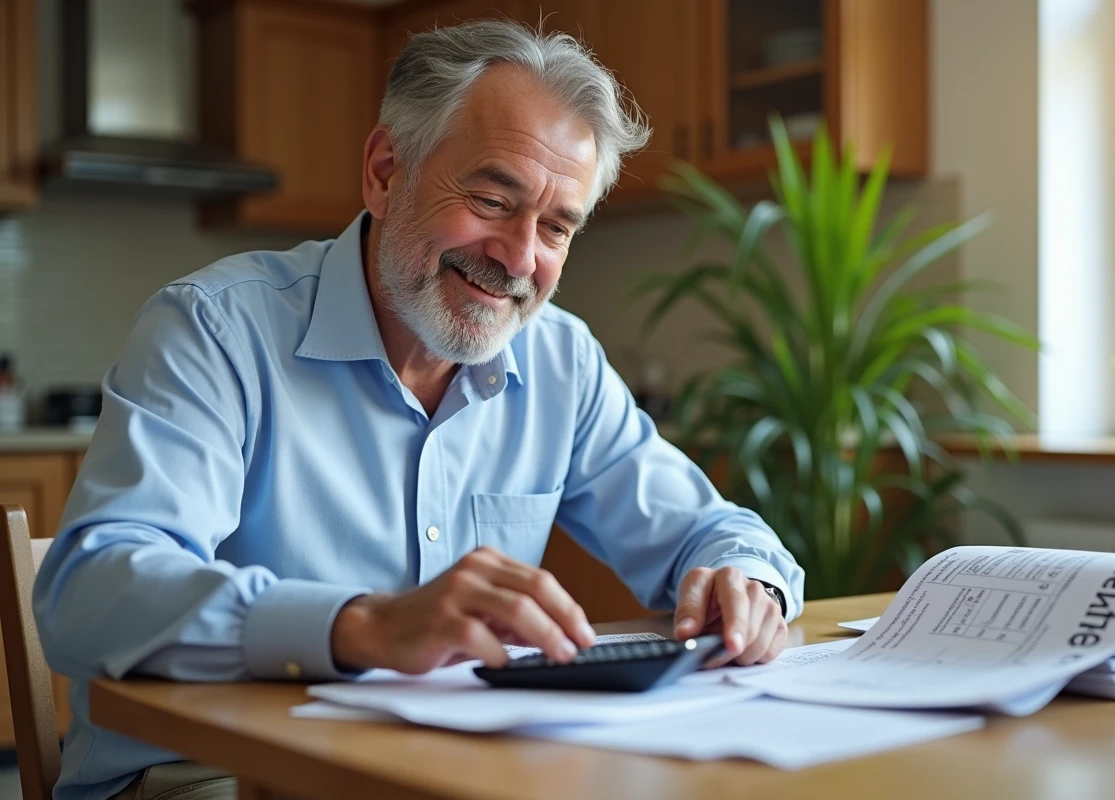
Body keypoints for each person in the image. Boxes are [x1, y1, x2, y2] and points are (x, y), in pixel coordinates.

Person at [33, 19, 805, 800]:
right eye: (492, 199)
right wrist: (361, 626)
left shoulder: (561, 362)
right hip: (209, 777)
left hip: (445, 772)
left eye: (556, 227)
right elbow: (89, 595)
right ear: (384, 170)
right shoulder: (216, 329)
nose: (518, 256)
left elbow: (711, 530)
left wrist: (748, 583)